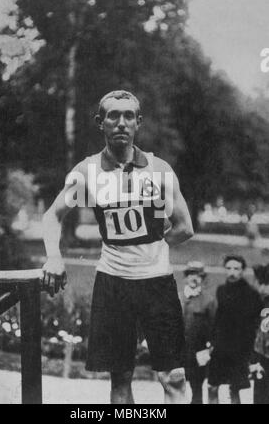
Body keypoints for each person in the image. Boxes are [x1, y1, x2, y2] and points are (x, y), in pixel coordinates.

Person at [41, 90, 194, 404]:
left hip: (157, 283)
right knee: (120, 379)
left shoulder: (159, 169)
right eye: (113, 115)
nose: (121, 123)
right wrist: (54, 257)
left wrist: (153, 242)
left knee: (175, 378)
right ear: (101, 123)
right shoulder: (87, 172)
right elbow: (51, 216)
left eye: (128, 116)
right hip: (113, 283)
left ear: (138, 123)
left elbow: (184, 227)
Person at [208, 255, 262, 404]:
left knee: (235, 389)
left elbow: (253, 325)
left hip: (240, 348)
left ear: (243, 270)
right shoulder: (221, 290)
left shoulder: (252, 294)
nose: (232, 272)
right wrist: (212, 341)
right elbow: (218, 318)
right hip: (220, 347)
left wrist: (249, 352)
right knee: (212, 385)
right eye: (229, 268)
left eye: (236, 269)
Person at [180, 261, 216, 404]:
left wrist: (209, 349)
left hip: (198, 351)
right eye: (190, 275)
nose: (194, 278)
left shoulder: (208, 301)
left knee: (196, 388)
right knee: (176, 386)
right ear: (185, 278)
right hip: (179, 350)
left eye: (198, 275)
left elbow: (214, 328)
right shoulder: (178, 298)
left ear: (203, 279)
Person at [250, 264, 269, 404]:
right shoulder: (259, 303)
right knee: (260, 395)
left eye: (267, 284)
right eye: (261, 283)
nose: (262, 288)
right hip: (262, 357)